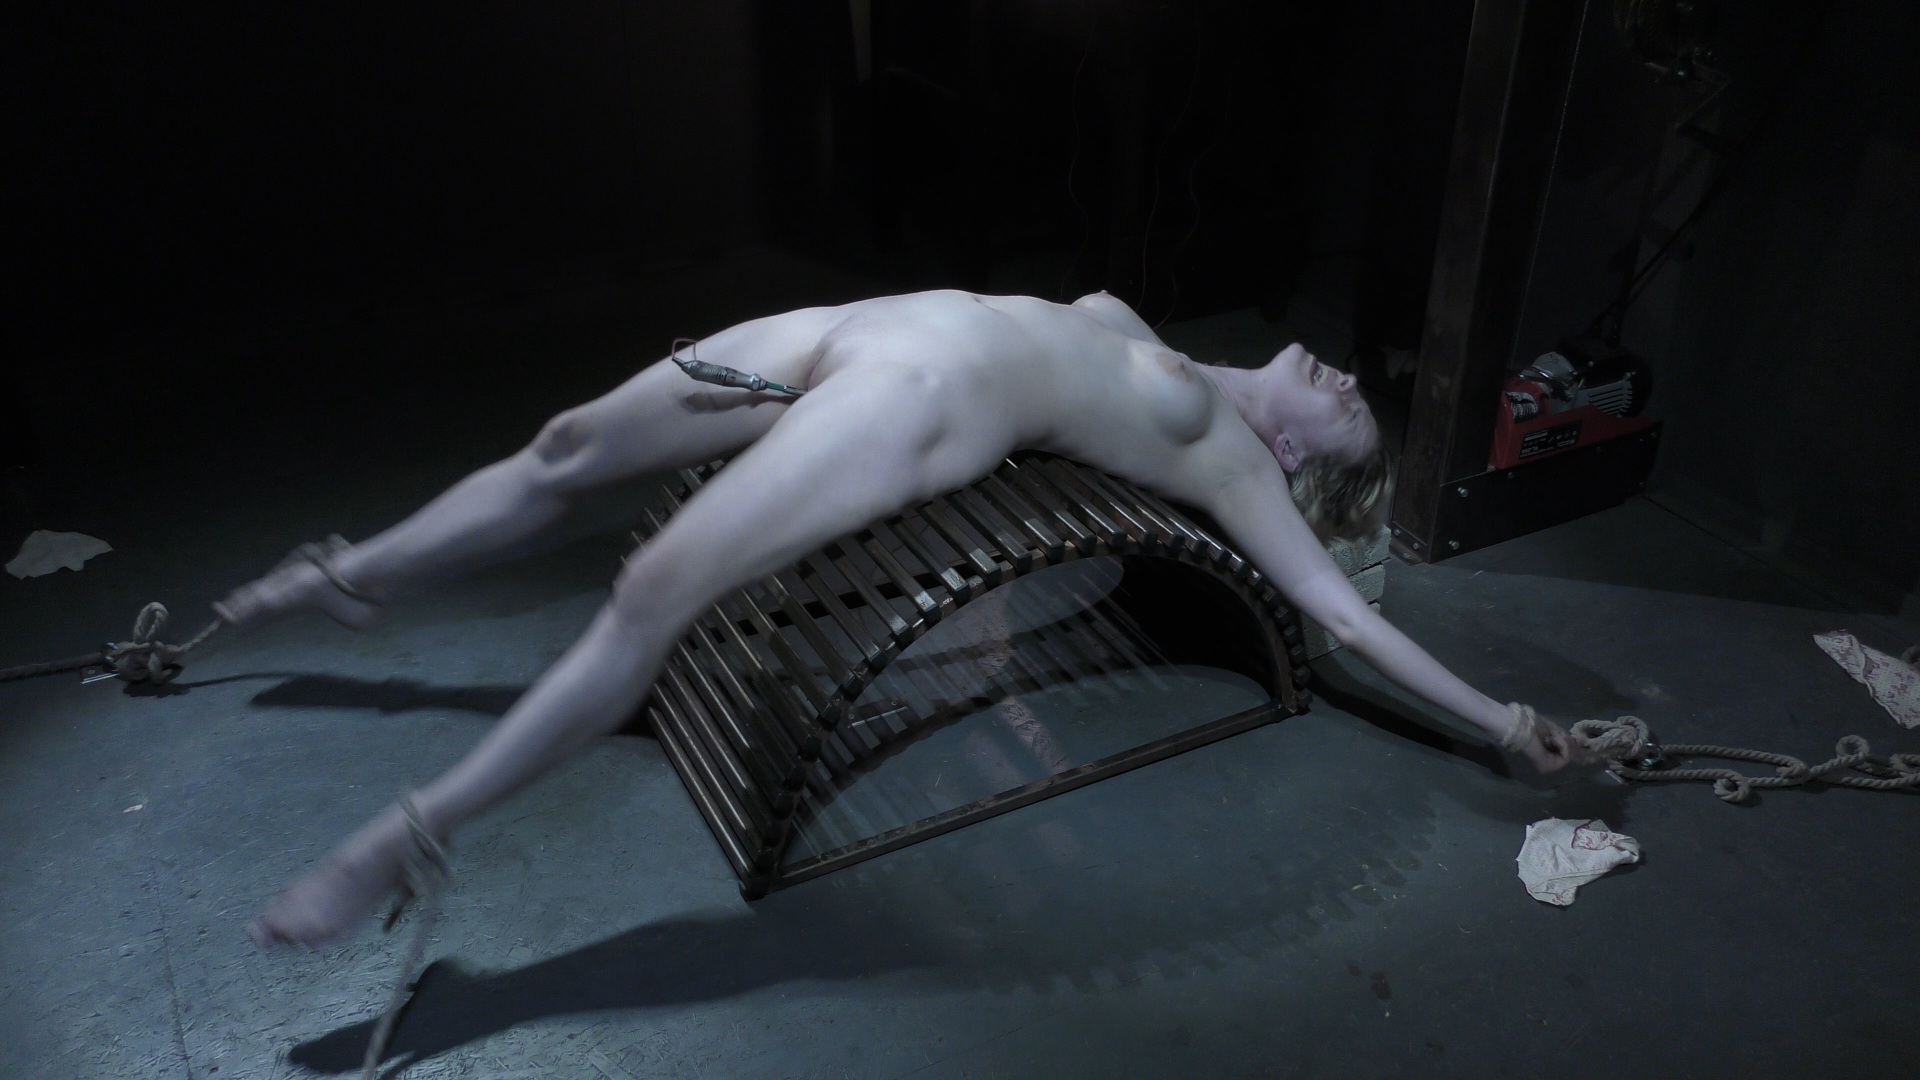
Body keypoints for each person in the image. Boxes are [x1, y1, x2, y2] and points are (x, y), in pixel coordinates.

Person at [217, 288, 1586, 947]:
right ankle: (358, 578)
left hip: (919, 401)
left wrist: (1504, 719)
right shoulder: (1170, 348)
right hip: (855, 328)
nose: (1347, 378)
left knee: (649, 593)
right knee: (569, 445)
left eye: (1353, 415)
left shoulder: (1235, 462)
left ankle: (409, 839)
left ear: (1296, 464)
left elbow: (1340, 615)